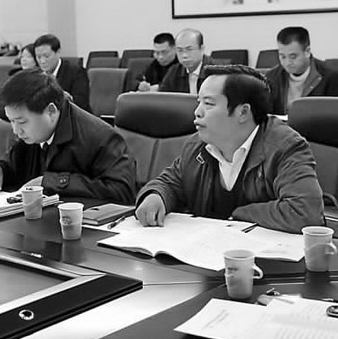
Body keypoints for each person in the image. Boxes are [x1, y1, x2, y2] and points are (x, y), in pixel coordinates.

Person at [136, 65, 324, 233]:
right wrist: (156, 196)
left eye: (208, 104)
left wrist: (239, 214)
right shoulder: (197, 145)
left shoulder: (285, 147)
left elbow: (304, 212)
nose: (197, 112)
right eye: (198, 102)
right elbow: (171, 182)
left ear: (243, 112)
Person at [0, 69, 135, 204]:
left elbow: (122, 191)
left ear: (51, 111)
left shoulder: (100, 137)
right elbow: (14, 163)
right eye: (11, 121)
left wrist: (51, 182)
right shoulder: (33, 133)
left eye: (22, 122)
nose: (16, 130)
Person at [266, 26, 338, 114]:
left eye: (293, 57)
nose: (287, 62)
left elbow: (336, 115)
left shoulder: (330, 77)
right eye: (282, 56)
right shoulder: (271, 77)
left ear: (307, 51)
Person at [33, 33, 91, 112]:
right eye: (38, 57)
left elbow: (82, 103)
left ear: (58, 52)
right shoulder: (35, 74)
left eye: (46, 56)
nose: (42, 61)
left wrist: (68, 99)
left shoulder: (76, 72)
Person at [159, 28, 216, 94]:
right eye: (180, 50)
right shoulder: (174, 71)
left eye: (189, 49)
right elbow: (163, 97)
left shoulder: (216, 71)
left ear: (202, 49)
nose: (184, 55)